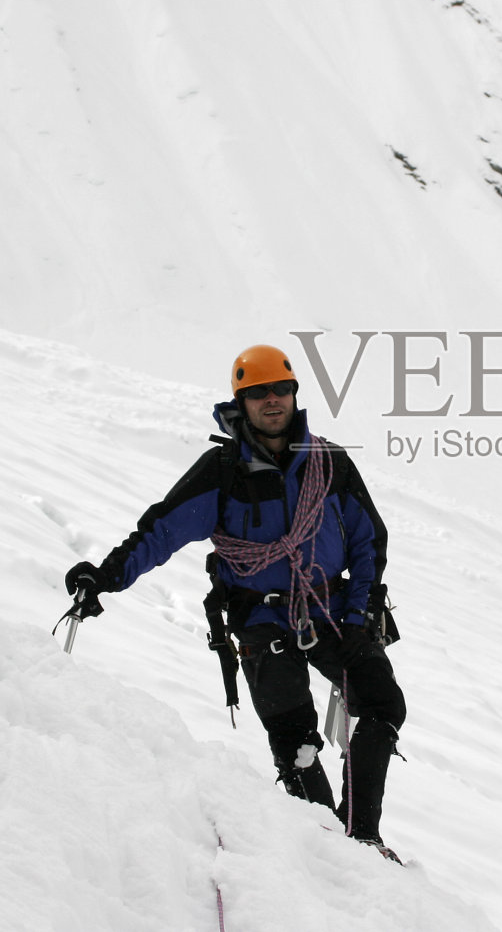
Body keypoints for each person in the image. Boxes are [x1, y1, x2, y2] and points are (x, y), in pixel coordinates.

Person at [63, 344, 407, 857]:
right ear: (239, 402)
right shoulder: (222, 472)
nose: (273, 401)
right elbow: (160, 532)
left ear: (294, 394)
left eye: (281, 389)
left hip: (331, 611)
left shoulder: (327, 463)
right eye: (258, 393)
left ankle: (359, 834)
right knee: (295, 739)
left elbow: (368, 540)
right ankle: (327, 850)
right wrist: (106, 577)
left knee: (382, 704)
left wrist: (359, 612)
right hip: (260, 618)